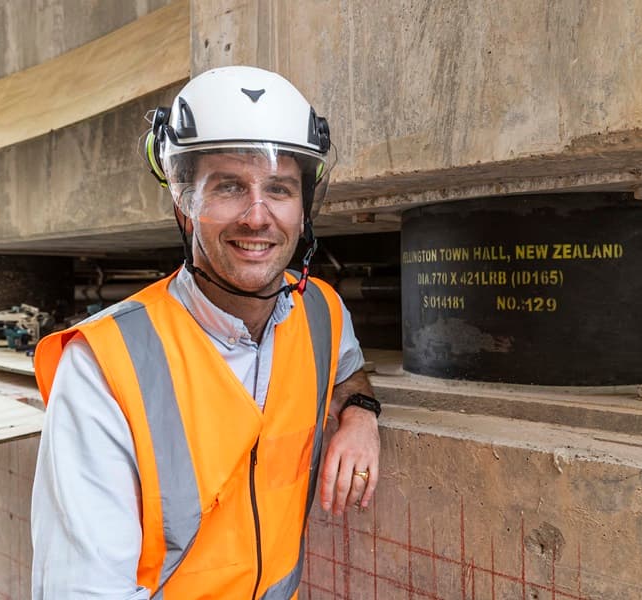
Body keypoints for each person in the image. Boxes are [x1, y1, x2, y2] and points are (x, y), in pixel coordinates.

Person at [30, 65, 381, 599]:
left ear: (304, 207)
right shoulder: (105, 366)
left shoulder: (321, 313)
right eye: (230, 187)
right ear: (184, 203)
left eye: (280, 188)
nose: (258, 217)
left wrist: (360, 416)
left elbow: (349, 372)